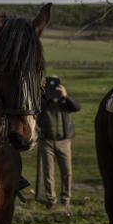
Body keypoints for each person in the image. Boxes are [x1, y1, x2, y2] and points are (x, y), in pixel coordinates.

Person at [35, 75, 81, 211]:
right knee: (48, 173)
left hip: (64, 141)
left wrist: (65, 96)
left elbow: (77, 107)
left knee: (67, 172)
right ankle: (51, 200)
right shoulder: (42, 101)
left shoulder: (64, 101)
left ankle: (65, 198)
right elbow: (36, 107)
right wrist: (43, 94)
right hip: (46, 141)